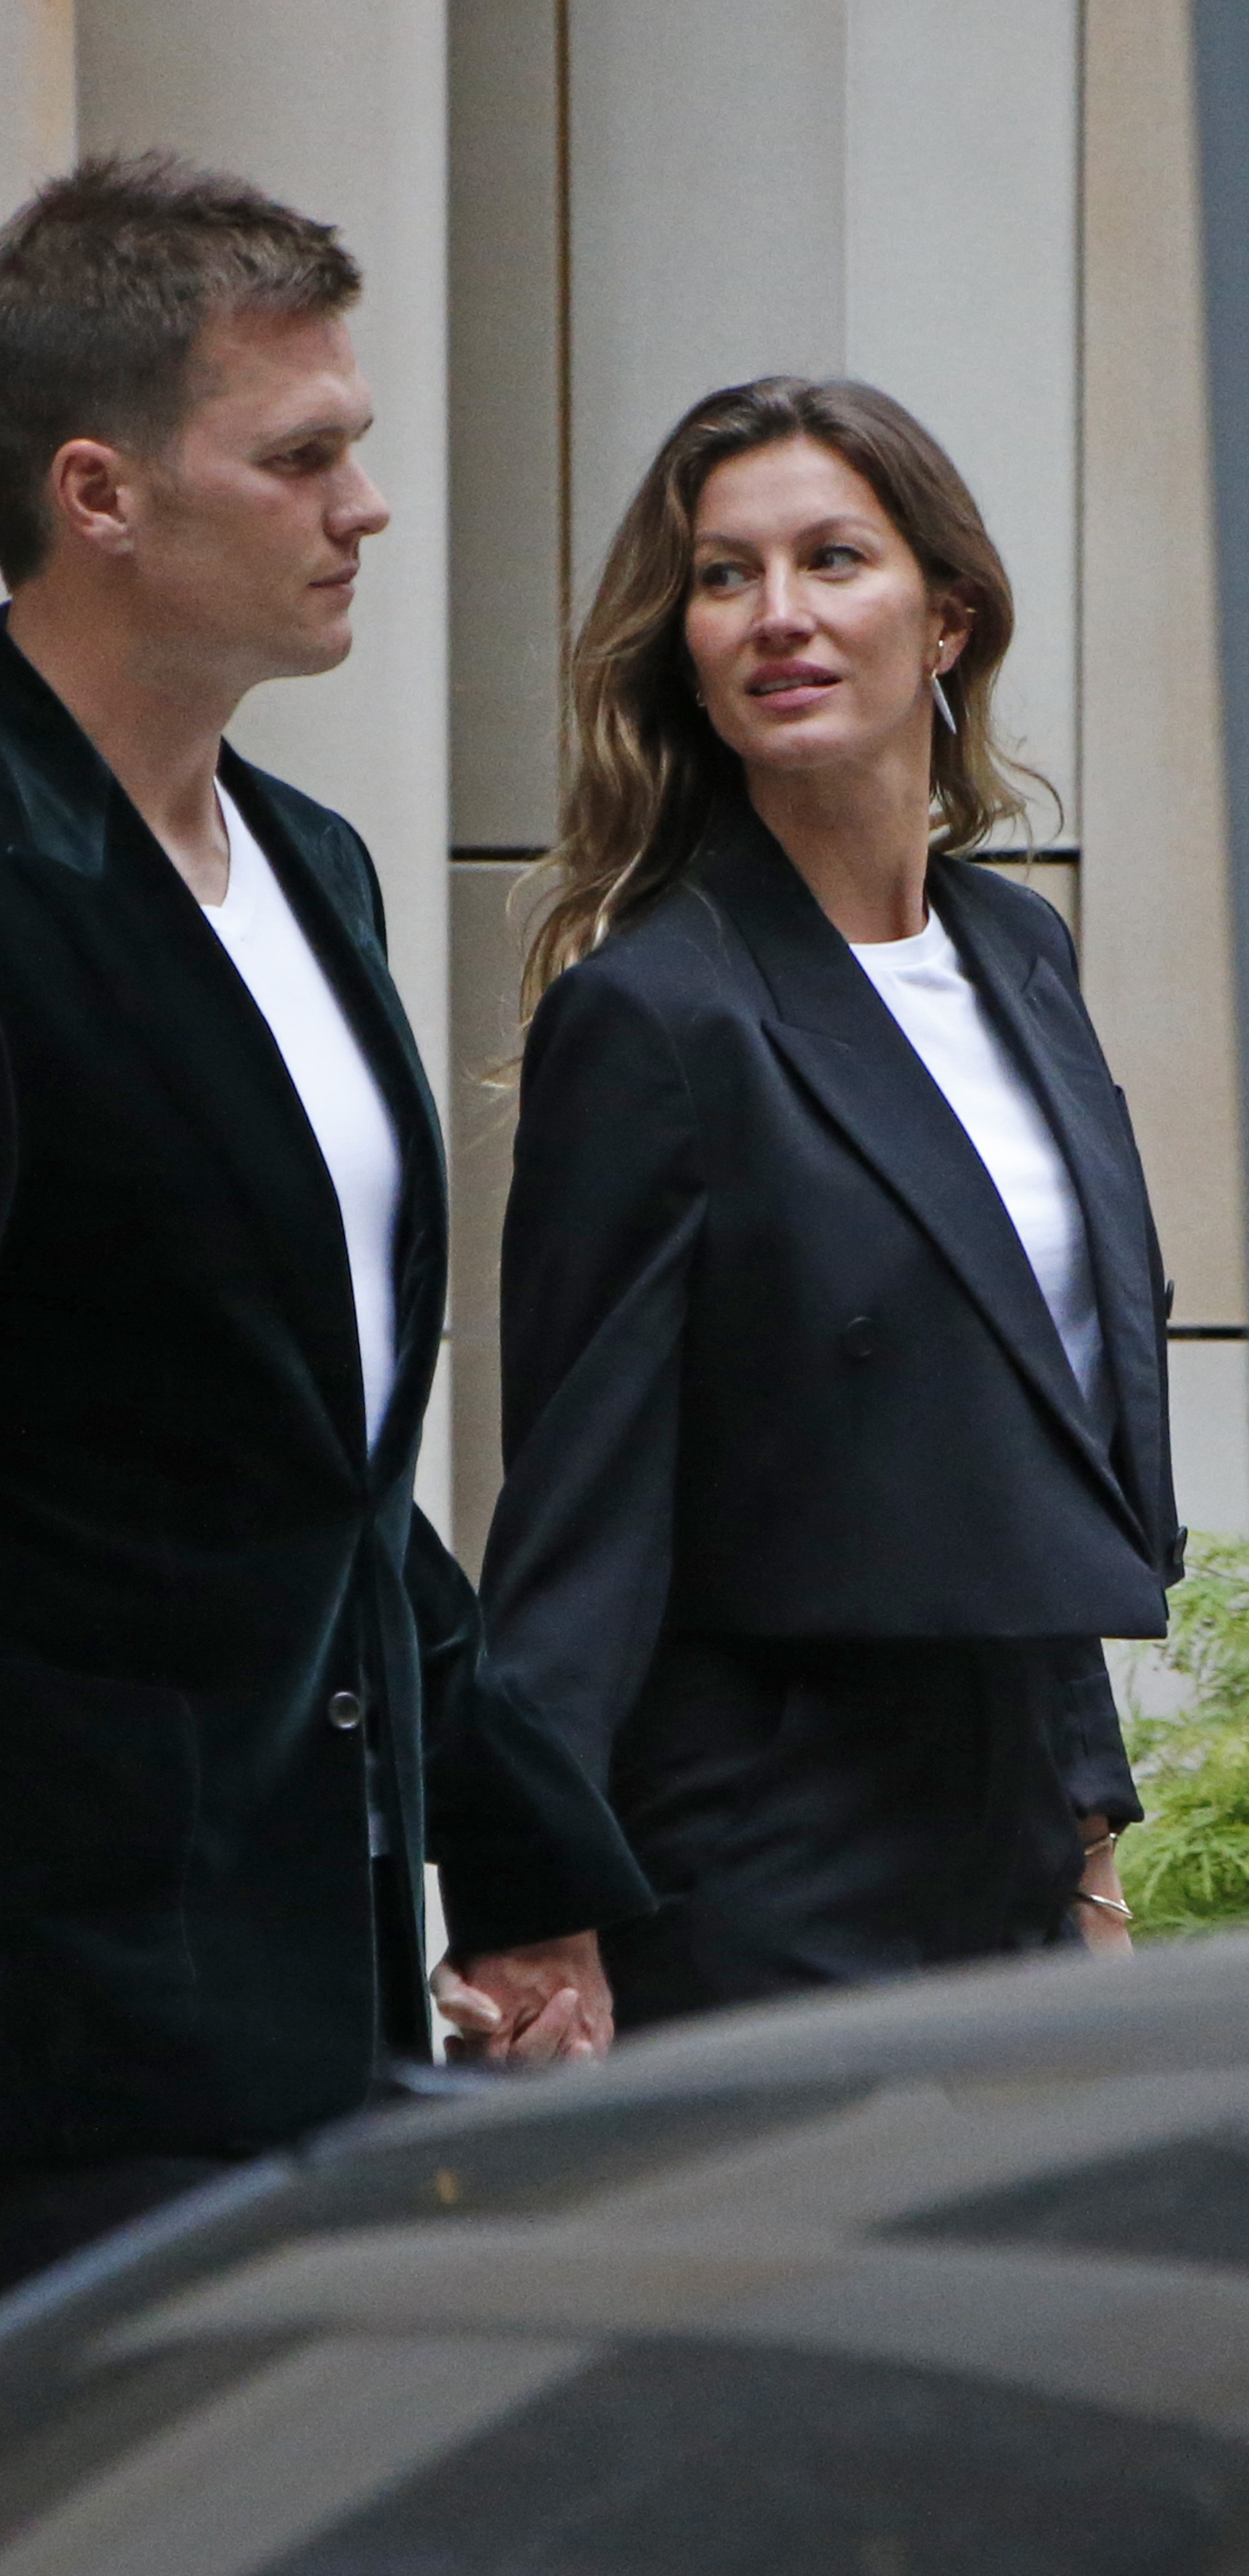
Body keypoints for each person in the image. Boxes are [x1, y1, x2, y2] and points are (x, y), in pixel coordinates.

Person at [0, 154, 651, 2340]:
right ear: (101, 494)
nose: (366, 506)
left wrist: (519, 1851)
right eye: (303, 457)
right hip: (56, 1999)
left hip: (315, 1964)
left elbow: (313, 1462)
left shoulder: (317, 868)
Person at [480, 375, 1182, 2033]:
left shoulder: (1021, 955)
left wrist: (1090, 1845)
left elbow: (1029, 1443)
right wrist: (533, 1903)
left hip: (1009, 1842)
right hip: (762, 1860)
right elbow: (578, 1513)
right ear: (687, 650)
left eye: (833, 559)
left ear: (947, 616)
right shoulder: (656, 1015)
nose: (776, 614)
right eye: (726, 576)